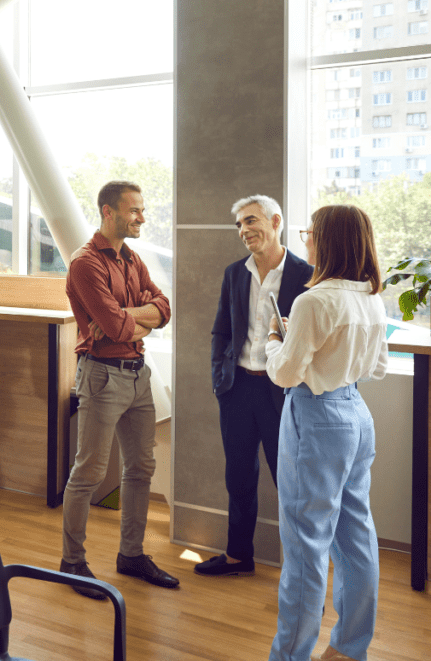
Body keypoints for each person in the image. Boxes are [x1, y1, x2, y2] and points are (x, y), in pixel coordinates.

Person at [265, 205, 387, 661]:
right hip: (357, 414)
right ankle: (349, 649)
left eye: (310, 233)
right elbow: (376, 367)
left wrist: (273, 343)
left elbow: (285, 375)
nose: (305, 240)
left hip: (316, 419)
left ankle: (290, 656)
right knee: (356, 538)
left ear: (329, 241)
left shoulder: (313, 301)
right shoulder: (372, 298)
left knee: (305, 546)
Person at [59, 180, 178, 598]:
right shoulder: (85, 263)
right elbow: (114, 328)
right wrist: (135, 317)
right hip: (102, 374)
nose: (142, 217)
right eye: (135, 210)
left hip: (137, 373)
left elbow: (166, 308)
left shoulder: (133, 258)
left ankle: (131, 555)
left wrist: (132, 314)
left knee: (141, 468)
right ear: (108, 212)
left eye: (143, 210)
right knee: (89, 472)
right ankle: (72, 562)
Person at [197, 195, 314, 577]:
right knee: (239, 477)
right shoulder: (235, 273)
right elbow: (222, 330)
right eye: (240, 225)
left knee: (291, 481)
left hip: (283, 393)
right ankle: (237, 556)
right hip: (237, 390)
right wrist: (221, 380)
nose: (245, 230)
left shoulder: (306, 275)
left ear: (275, 221)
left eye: (251, 220)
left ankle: (300, 571)